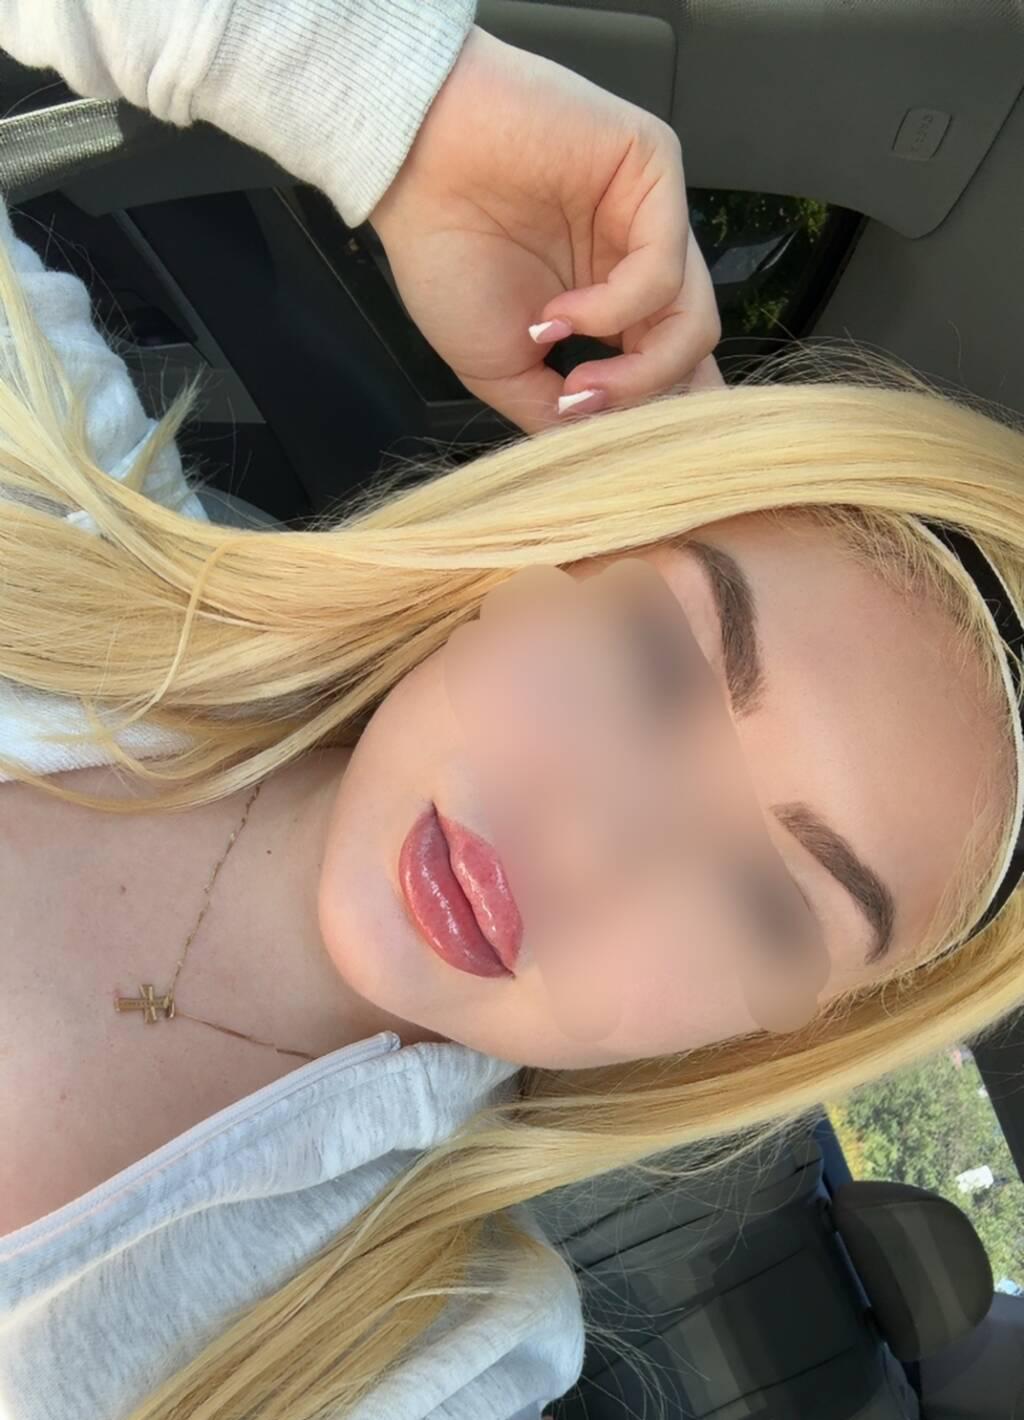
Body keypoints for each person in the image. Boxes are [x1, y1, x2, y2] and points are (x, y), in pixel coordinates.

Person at [0, 6, 1022, 1420]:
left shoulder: (439, 1357)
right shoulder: (46, 466)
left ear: (767, 1040)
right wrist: (399, 110)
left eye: (766, 904)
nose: (594, 848)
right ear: (558, 551)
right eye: (666, 666)